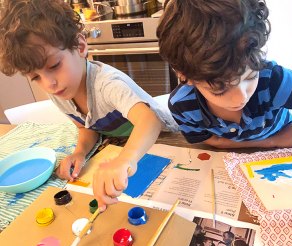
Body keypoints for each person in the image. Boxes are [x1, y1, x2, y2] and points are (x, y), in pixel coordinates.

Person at [0, 0, 176, 209]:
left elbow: (150, 121)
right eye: (35, 77)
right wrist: (80, 152)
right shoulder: (61, 92)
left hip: (167, 139)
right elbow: (86, 126)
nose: (49, 83)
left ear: (81, 46)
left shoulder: (106, 84)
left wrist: (124, 160)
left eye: (54, 65)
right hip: (125, 147)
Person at [157, 0, 292, 149]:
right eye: (221, 89)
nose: (241, 97)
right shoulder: (182, 105)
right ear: (185, 77)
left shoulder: (274, 80)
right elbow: (211, 141)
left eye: (251, 77)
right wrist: (275, 140)